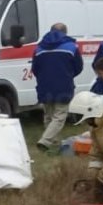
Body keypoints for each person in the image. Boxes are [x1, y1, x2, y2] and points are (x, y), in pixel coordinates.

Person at [31, 22, 83, 152]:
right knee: (59, 116)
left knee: (48, 115)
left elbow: (35, 69)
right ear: (65, 33)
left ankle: (53, 144)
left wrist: (44, 79)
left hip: (44, 86)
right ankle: (45, 141)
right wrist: (68, 75)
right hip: (63, 85)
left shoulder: (39, 48)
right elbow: (78, 67)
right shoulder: (71, 47)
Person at [68, 90, 103, 203]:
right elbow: (97, 155)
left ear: (92, 111)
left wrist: (102, 178)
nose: (86, 122)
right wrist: (92, 179)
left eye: (85, 118)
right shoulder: (96, 127)